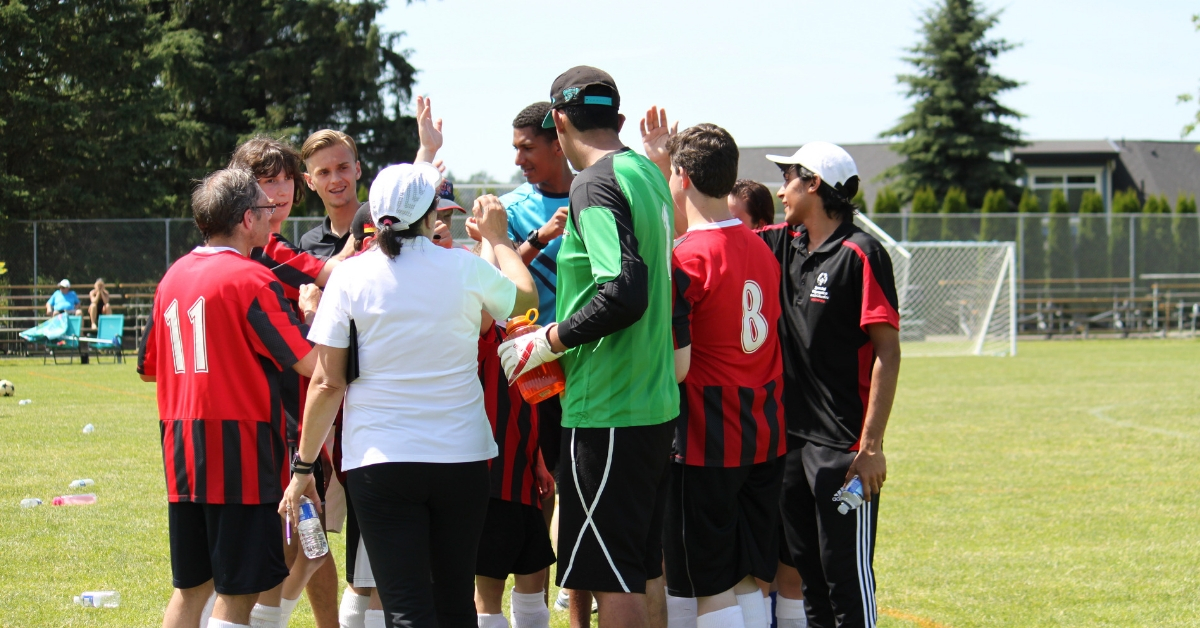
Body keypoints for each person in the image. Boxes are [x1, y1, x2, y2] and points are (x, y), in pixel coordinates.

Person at [281, 162, 538, 628]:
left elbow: (327, 381)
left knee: (405, 608)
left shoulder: (350, 277)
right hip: (461, 457)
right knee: (456, 605)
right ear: (431, 214)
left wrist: (302, 466)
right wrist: (499, 240)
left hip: (380, 461)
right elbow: (525, 297)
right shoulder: (462, 266)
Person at [498, 66, 678, 628]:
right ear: (617, 118)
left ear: (558, 120)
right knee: (643, 569)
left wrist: (546, 341)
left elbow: (624, 292)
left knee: (611, 578)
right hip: (651, 404)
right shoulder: (647, 174)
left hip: (608, 409)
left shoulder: (594, 182)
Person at [137, 167, 317, 628]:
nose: (271, 214)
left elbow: (147, 368)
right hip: (239, 450)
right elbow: (310, 364)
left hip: (181, 448)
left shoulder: (172, 276)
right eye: (264, 208)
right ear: (244, 219)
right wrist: (314, 315)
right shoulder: (251, 280)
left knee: (192, 588)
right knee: (240, 592)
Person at [643, 121, 787, 628]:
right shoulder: (763, 249)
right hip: (765, 434)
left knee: (704, 585)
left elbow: (677, 363)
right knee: (745, 576)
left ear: (681, 175)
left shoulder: (685, 257)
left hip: (707, 438)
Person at [757, 142, 901, 628]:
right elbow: (720, 233)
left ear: (813, 184)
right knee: (811, 581)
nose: (781, 190)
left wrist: (871, 447)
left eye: (789, 179)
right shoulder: (783, 243)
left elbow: (888, 352)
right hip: (792, 445)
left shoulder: (862, 254)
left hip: (844, 450)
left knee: (847, 580)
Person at [228, 135, 342, 628]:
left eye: (284, 180)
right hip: (261, 418)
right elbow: (333, 270)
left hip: (298, 418)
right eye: (264, 181)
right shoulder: (258, 255)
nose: (277, 191)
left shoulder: (278, 249)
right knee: (292, 537)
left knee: (306, 535)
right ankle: (269, 617)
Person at [474, 237, 557, 628]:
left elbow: (529, 401)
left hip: (523, 475)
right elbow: (488, 284)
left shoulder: (519, 331)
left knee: (534, 579)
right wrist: (494, 238)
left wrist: (538, 460)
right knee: (487, 592)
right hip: (489, 478)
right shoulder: (477, 330)